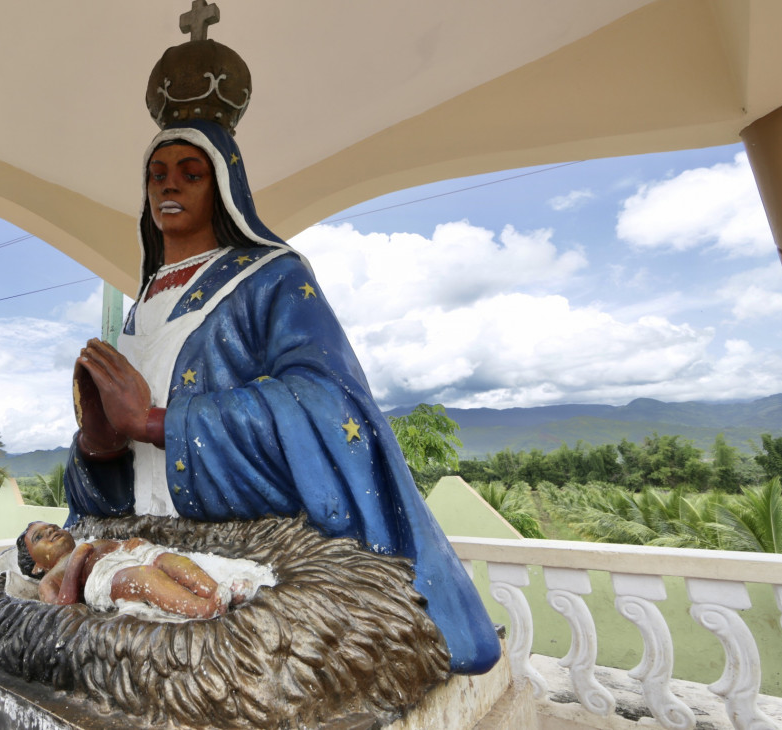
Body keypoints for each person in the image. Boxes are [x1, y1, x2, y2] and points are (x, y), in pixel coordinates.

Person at [65, 119, 502, 675]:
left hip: (246, 549)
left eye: (190, 174)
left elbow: (325, 406)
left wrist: (155, 422)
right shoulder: (140, 310)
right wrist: (99, 446)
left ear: (224, 189)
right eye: (156, 175)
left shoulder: (271, 279)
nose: (168, 186)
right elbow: (118, 483)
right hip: (142, 547)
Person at [17, 520, 267, 619]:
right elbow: (61, 612)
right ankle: (203, 608)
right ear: (38, 566)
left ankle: (216, 590)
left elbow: (120, 545)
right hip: (105, 577)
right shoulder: (49, 579)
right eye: (40, 537)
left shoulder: (92, 542)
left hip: (128, 554)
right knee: (144, 577)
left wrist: (131, 543)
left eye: (52, 527)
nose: (51, 531)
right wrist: (74, 564)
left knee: (170, 560)